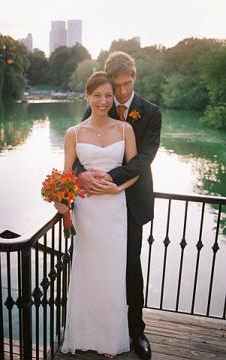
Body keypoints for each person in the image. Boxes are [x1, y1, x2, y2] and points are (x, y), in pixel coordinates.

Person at [76, 51, 162, 360]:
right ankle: (98, 326)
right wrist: (81, 175)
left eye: (127, 84)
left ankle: (136, 331)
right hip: (97, 207)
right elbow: (77, 154)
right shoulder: (99, 101)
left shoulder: (150, 112)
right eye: (117, 85)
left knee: (131, 266)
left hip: (132, 202)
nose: (122, 92)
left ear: (134, 78)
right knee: (99, 265)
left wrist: (106, 178)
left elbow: (143, 159)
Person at [56, 71, 139, 358]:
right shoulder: (73, 133)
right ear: (87, 96)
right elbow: (67, 174)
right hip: (87, 210)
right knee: (87, 270)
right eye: (97, 95)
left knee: (113, 272)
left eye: (108, 95)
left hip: (114, 209)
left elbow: (136, 170)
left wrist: (119, 189)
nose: (103, 101)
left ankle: (109, 339)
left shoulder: (125, 129)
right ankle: (83, 334)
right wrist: (61, 201)